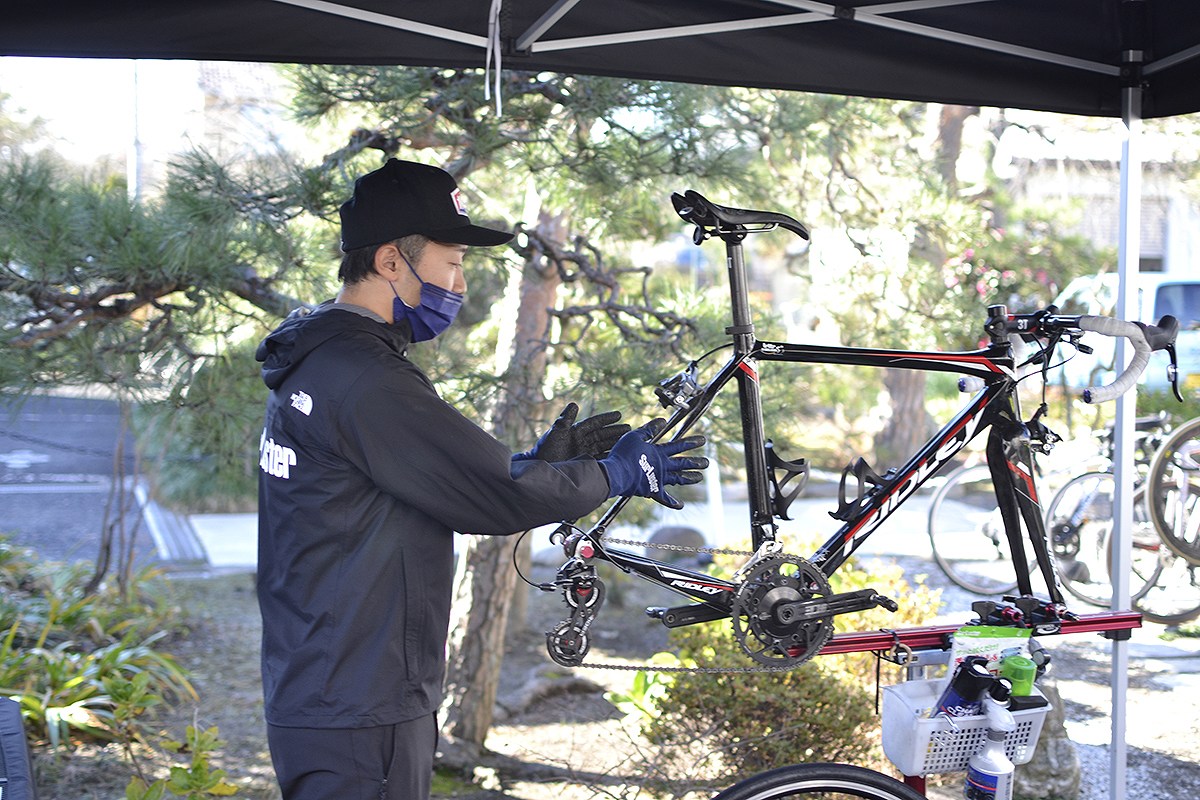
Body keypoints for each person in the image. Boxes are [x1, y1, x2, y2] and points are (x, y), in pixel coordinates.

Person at [254, 158, 708, 800]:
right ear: (391, 261)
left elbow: (432, 479)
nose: (460, 283)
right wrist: (616, 471)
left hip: (327, 680)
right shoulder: (366, 379)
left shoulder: (322, 363)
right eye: (453, 263)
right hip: (363, 696)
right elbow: (494, 497)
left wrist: (542, 463)